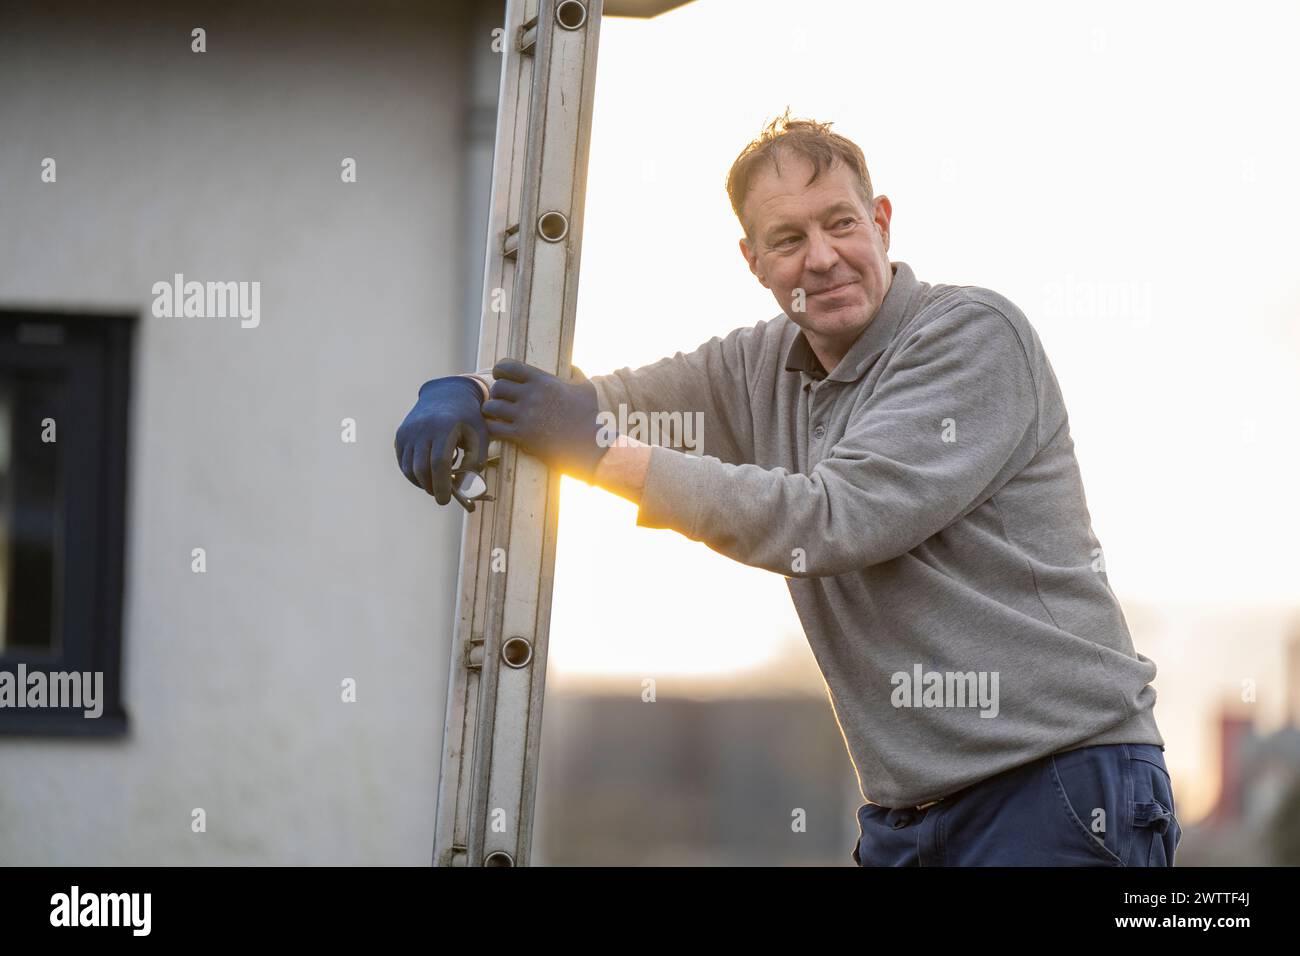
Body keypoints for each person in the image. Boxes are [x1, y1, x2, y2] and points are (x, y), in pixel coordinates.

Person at [394, 109, 1181, 866]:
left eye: (840, 222)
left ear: (881, 219)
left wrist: (600, 453)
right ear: (754, 261)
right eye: (789, 238)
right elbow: (593, 403)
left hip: (1058, 788)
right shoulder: (757, 368)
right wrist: (466, 390)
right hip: (908, 815)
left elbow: (836, 519)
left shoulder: (971, 336)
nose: (823, 257)